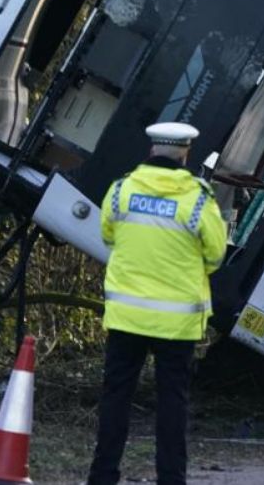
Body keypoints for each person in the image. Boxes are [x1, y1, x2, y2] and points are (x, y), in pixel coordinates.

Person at [88, 122, 228, 485]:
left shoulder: (121, 191)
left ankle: (103, 476)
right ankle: (170, 479)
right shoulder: (199, 199)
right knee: (172, 403)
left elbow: (108, 236)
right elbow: (215, 256)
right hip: (176, 323)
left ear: (151, 150)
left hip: (126, 318)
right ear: (185, 153)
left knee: (116, 399)